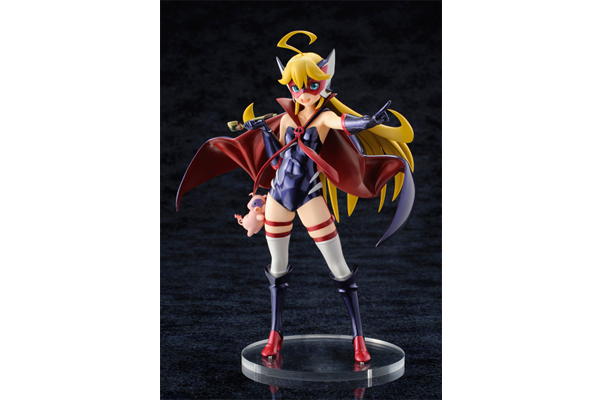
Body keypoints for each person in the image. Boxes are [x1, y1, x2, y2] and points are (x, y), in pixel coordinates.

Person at [176, 30, 415, 362]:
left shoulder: (324, 117)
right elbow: (277, 160)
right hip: (278, 196)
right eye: (295, 86)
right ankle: (275, 335)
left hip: (309, 196)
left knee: (339, 268)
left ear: (325, 82)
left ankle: (358, 337)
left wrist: (369, 121)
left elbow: (345, 123)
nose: (303, 93)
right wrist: (263, 131)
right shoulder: (285, 118)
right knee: (277, 267)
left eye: (311, 85)